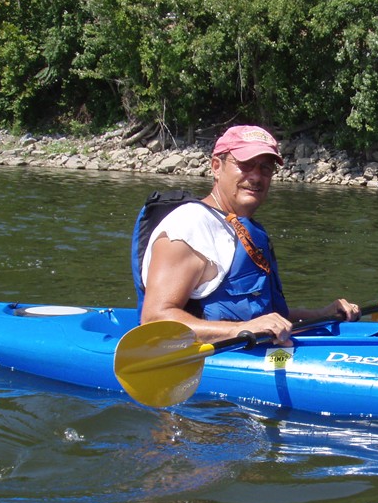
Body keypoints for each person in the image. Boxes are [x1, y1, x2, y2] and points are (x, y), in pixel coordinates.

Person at [133, 125, 360, 345]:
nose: (256, 176)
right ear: (216, 166)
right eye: (245, 164)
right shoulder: (189, 226)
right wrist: (237, 331)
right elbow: (154, 320)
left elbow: (263, 318)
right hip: (206, 362)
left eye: (265, 168)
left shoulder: (242, 227)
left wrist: (319, 314)